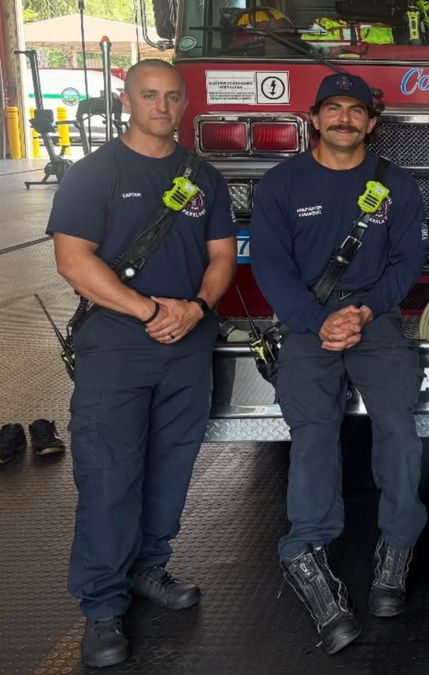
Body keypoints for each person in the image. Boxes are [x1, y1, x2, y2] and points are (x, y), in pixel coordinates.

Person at [45, 59, 237, 668]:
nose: (163, 106)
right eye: (149, 96)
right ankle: (102, 606)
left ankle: (149, 568)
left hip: (188, 340)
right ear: (126, 101)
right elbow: (74, 261)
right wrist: (150, 310)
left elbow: (222, 255)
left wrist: (199, 306)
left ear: (185, 104)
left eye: (173, 97)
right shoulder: (93, 174)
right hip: (118, 342)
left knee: (171, 463)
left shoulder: (204, 176)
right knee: (108, 473)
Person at [250, 72, 428, 654]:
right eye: (334, 109)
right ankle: (309, 557)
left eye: (356, 111)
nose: (345, 119)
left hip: (373, 322)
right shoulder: (280, 185)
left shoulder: (395, 185)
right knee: (313, 433)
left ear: (372, 123)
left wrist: (365, 312)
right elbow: (270, 268)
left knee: (400, 429)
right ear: (315, 117)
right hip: (307, 326)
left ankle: (395, 552)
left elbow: (407, 263)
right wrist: (315, 319)